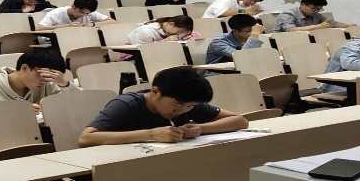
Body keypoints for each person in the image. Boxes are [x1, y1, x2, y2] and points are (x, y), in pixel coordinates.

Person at [78, 67, 247, 148]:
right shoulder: (126, 104)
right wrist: (151, 134)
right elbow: (86, 139)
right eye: (178, 105)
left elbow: (240, 121)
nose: (183, 110)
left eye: (191, 106)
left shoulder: (187, 103)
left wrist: (201, 129)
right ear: (155, 92)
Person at [0, 49, 79, 111]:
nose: (46, 81)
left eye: (51, 77)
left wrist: (65, 84)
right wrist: (13, 112)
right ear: (24, 68)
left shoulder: (48, 84)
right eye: (43, 75)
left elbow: (82, 104)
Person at [273, 0, 355, 32]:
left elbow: (332, 23)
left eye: (319, 9)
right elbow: (291, 30)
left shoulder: (316, 15)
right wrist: (318, 26)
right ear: (302, 5)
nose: (316, 11)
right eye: (314, 8)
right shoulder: (288, 14)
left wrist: (346, 26)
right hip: (283, 42)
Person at [36, 0, 113, 30]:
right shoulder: (56, 13)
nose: (82, 15)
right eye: (80, 12)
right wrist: (66, 26)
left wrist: (92, 24)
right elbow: (39, 28)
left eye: (86, 14)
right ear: (73, 7)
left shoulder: (90, 12)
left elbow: (112, 21)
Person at [128, 15, 195, 45]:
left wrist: (187, 37)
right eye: (178, 32)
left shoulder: (167, 30)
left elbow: (196, 34)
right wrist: (164, 41)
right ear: (171, 24)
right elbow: (143, 50)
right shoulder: (146, 32)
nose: (177, 35)